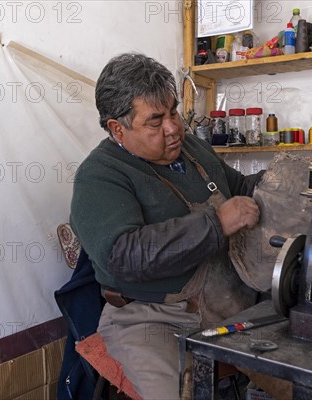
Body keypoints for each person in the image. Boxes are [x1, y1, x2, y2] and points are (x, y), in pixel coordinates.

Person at [70, 52, 264, 399]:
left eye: (173, 111)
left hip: (227, 303)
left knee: (299, 371)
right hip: (150, 318)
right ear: (118, 128)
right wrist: (216, 223)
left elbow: (238, 189)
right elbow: (125, 255)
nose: (174, 128)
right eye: (155, 120)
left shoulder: (191, 149)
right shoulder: (100, 177)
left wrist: (284, 179)